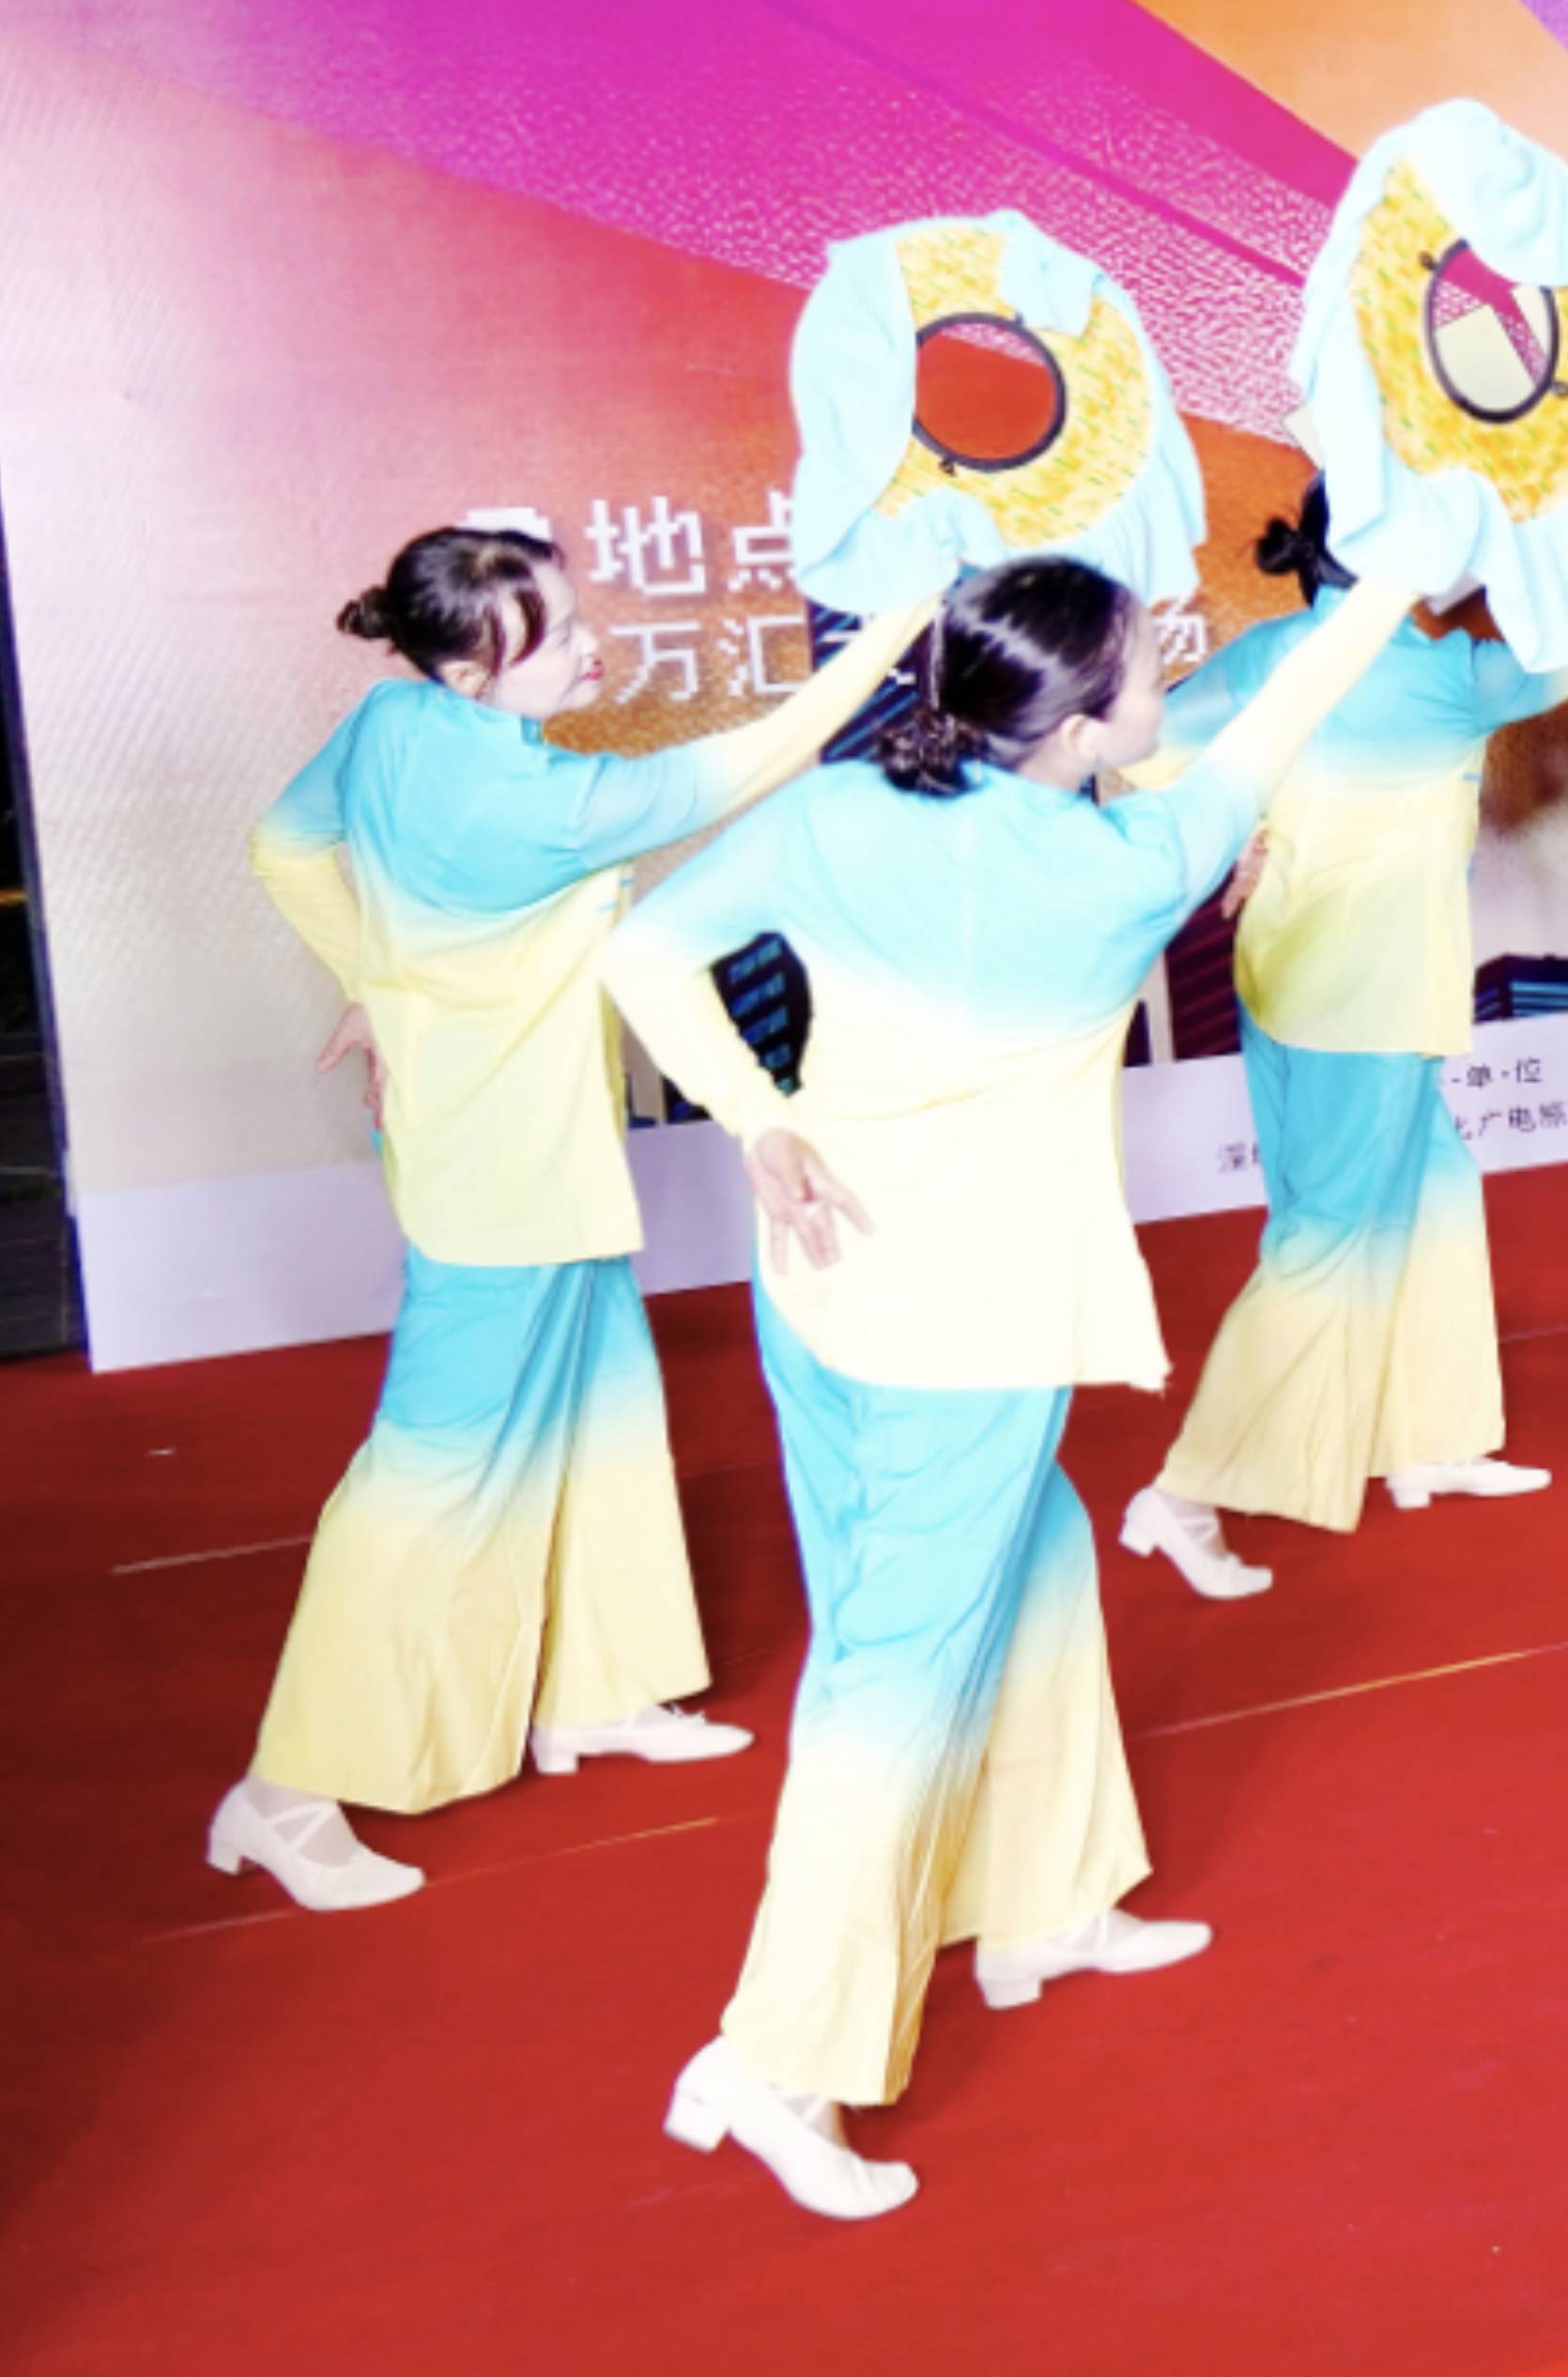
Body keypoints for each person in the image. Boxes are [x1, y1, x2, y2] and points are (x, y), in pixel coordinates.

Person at [607, 552, 1412, 2218]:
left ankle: (1044, 1896)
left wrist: (759, 1116)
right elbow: (1292, 704)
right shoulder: (1132, 858)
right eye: (1145, 667)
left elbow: (644, 953)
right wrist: (1398, 569)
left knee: (1032, 1569)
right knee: (889, 1680)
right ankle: (773, 2055)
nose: (1167, 682)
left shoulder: (844, 811)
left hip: (823, 1275)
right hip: (968, 1321)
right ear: (1079, 726)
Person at [209, 533, 931, 1916]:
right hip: (498, 1165)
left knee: (604, 1398)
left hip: (520, 1131)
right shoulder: (541, 804)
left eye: (576, 614)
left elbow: (282, 843)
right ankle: (286, 1788)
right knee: (429, 1471)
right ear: (471, 670)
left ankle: (598, 1687)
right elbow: (771, 749)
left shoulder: (392, 718)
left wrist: (378, 976)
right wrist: (905, 611)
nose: (591, 644)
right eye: (553, 634)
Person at [1114, 486, 1568, 1602]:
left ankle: (1427, 1435)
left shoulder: (1268, 655)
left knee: (1431, 1188)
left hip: (1288, 969)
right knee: (1329, 1239)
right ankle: (1185, 1489)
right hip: (1369, 993)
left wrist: (1244, 832)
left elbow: (1147, 757)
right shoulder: (1438, 677)